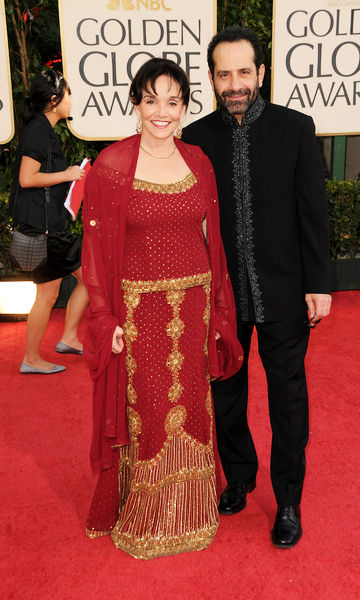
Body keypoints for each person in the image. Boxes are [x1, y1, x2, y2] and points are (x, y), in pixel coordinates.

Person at [82, 58, 242, 559]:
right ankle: (147, 511)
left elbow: (211, 242)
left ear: (185, 106)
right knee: (149, 411)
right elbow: (95, 253)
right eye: (152, 100)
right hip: (140, 313)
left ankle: (192, 509)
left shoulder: (198, 161)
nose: (162, 112)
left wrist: (218, 313)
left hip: (193, 310)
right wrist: (104, 317)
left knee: (194, 407)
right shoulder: (110, 166)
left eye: (173, 102)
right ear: (136, 102)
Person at [182, 26, 332, 549]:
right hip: (221, 296)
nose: (235, 83)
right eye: (224, 74)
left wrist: (320, 283)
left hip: (286, 292)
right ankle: (240, 476)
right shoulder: (196, 138)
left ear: (261, 73)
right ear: (212, 78)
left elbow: (314, 212)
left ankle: (288, 498)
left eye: (244, 71)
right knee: (226, 391)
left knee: (289, 398)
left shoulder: (295, 128)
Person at [9, 70, 89, 374]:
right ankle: (32, 357)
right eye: (68, 95)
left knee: (80, 282)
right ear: (54, 101)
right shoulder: (39, 132)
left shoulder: (42, 129)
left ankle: (67, 338)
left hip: (51, 227)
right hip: (44, 231)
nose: (71, 101)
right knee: (53, 291)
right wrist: (68, 174)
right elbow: (27, 178)